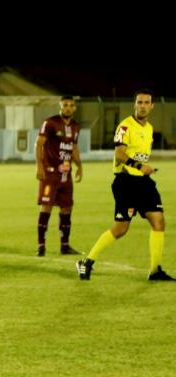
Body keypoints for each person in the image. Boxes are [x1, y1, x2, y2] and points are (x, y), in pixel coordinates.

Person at [76, 89, 175, 281]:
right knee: (121, 229)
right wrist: (139, 166)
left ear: (152, 106)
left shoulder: (149, 129)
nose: (143, 106)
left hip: (144, 183)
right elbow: (120, 154)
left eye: (146, 103)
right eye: (140, 102)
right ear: (135, 105)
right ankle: (86, 262)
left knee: (159, 222)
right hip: (126, 182)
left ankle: (155, 270)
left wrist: (144, 169)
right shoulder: (125, 126)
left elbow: (140, 155)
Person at [35, 95, 83, 256]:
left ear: (74, 108)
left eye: (71, 105)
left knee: (67, 208)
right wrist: (39, 166)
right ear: (60, 107)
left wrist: (79, 166)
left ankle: (65, 246)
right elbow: (39, 144)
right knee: (46, 207)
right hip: (50, 175)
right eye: (65, 105)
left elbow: (74, 148)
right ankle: (41, 246)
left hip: (65, 176)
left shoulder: (76, 126)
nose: (68, 108)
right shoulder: (50, 123)